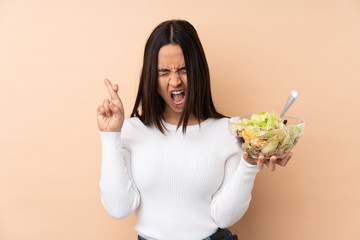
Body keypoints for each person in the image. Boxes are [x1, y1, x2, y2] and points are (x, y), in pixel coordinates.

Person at [96, 19, 293, 240]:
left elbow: (224, 218)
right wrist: (110, 135)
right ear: (151, 76)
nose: (175, 81)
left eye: (183, 69)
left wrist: (249, 163)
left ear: (198, 70)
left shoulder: (230, 131)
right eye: (163, 72)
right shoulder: (131, 130)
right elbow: (118, 208)